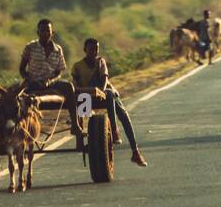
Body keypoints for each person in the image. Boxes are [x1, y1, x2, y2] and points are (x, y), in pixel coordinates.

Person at [71, 37, 147, 167]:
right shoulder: (77, 66)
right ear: (85, 50)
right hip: (86, 95)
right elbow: (75, 85)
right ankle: (86, 139)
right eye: (91, 50)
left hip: (105, 92)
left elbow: (104, 79)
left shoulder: (100, 62)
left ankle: (134, 150)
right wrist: (86, 91)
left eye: (96, 49)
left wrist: (100, 91)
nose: (94, 52)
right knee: (82, 104)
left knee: (123, 114)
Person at [19, 19, 84, 148]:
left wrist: (50, 81)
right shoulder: (30, 47)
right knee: (18, 98)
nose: (45, 32)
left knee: (69, 87)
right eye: (42, 30)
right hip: (33, 82)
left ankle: (75, 124)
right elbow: (22, 69)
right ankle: (20, 130)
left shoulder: (58, 49)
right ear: (38, 32)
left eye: (47, 30)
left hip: (51, 82)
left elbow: (58, 72)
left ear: (52, 32)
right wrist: (30, 79)